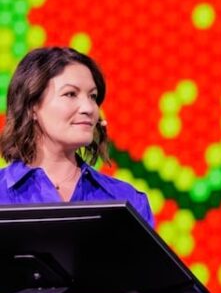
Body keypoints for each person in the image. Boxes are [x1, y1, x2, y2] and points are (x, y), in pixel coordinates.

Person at [0, 47, 153, 225]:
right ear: (32, 105)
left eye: (92, 97)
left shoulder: (128, 201)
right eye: (70, 94)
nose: (88, 108)